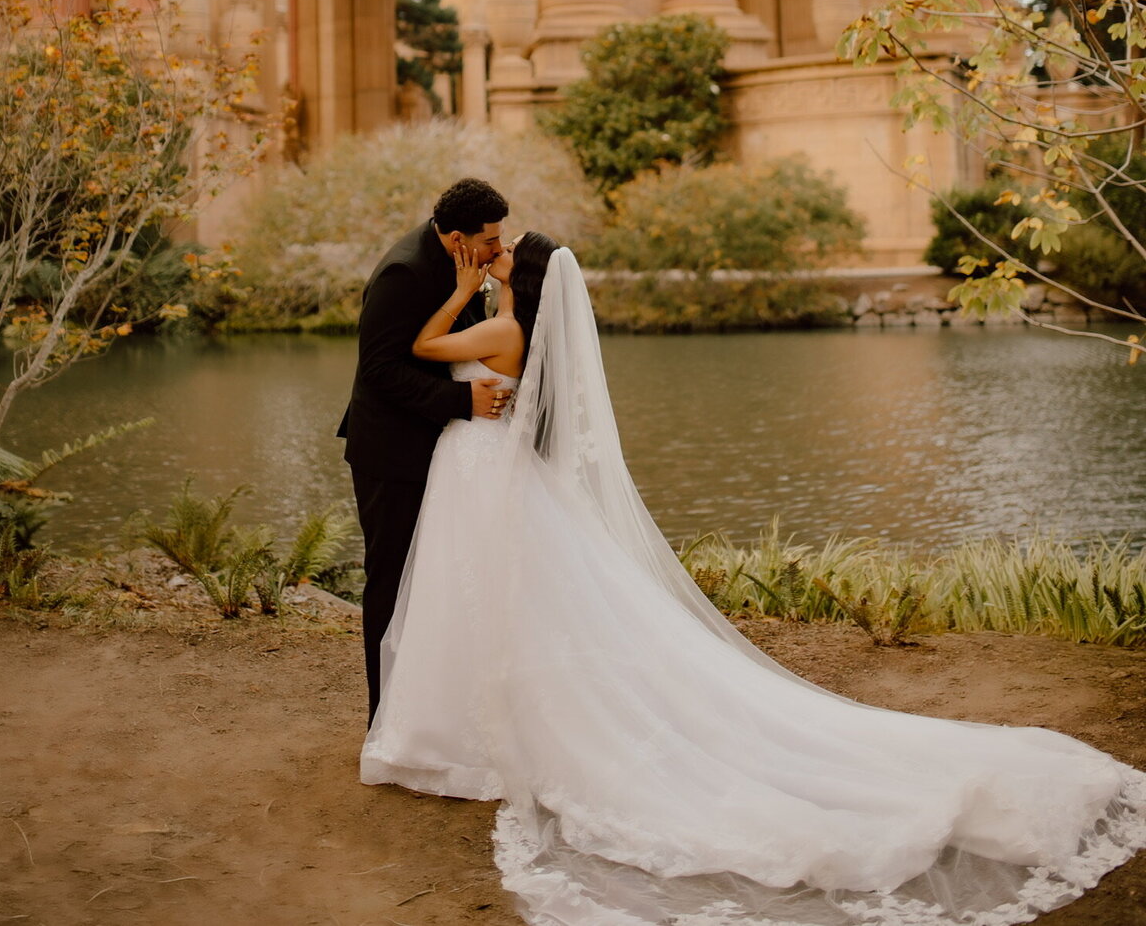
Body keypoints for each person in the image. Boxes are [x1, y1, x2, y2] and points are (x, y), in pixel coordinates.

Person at [361, 240, 1146, 926]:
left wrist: (467, 290)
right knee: (513, 609)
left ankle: (475, 734)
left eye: (503, 252)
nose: (492, 255)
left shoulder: (501, 324)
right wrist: (485, 285)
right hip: (495, 477)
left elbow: (427, 346)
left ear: (521, 278)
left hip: (487, 476)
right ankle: (476, 729)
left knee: (497, 606)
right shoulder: (523, 323)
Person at [338, 177, 511, 722]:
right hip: (391, 453)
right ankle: (384, 717)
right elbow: (379, 369)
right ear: (457, 236)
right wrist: (462, 400)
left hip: (440, 452)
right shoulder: (404, 273)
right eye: (488, 241)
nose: (495, 251)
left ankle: (429, 712)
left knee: (433, 583)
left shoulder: (463, 266)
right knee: (391, 581)